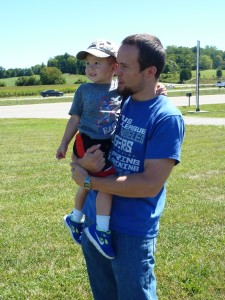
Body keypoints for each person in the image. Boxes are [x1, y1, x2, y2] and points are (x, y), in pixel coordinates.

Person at [70, 33, 185, 300]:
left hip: (132, 231)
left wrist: (89, 182)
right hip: (95, 224)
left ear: (150, 72)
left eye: (124, 66)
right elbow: (83, 143)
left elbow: (149, 184)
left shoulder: (166, 118)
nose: (115, 70)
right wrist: (81, 164)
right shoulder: (119, 102)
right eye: (116, 63)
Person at [56, 40, 122, 259]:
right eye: (87, 63)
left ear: (114, 67)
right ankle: (101, 231)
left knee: (92, 181)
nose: (90, 68)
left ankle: (75, 220)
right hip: (87, 140)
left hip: (107, 144)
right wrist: (64, 143)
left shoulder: (121, 88)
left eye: (96, 62)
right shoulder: (84, 90)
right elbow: (75, 119)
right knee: (107, 184)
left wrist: (159, 89)